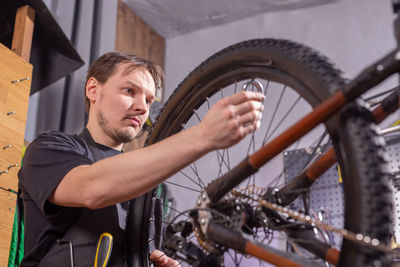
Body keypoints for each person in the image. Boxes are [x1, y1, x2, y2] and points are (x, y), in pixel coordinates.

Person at [18, 52, 264, 267]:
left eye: (148, 100)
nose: (142, 108)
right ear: (93, 89)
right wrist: (204, 134)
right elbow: (92, 188)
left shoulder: (154, 193)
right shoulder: (50, 148)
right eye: (129, 91)